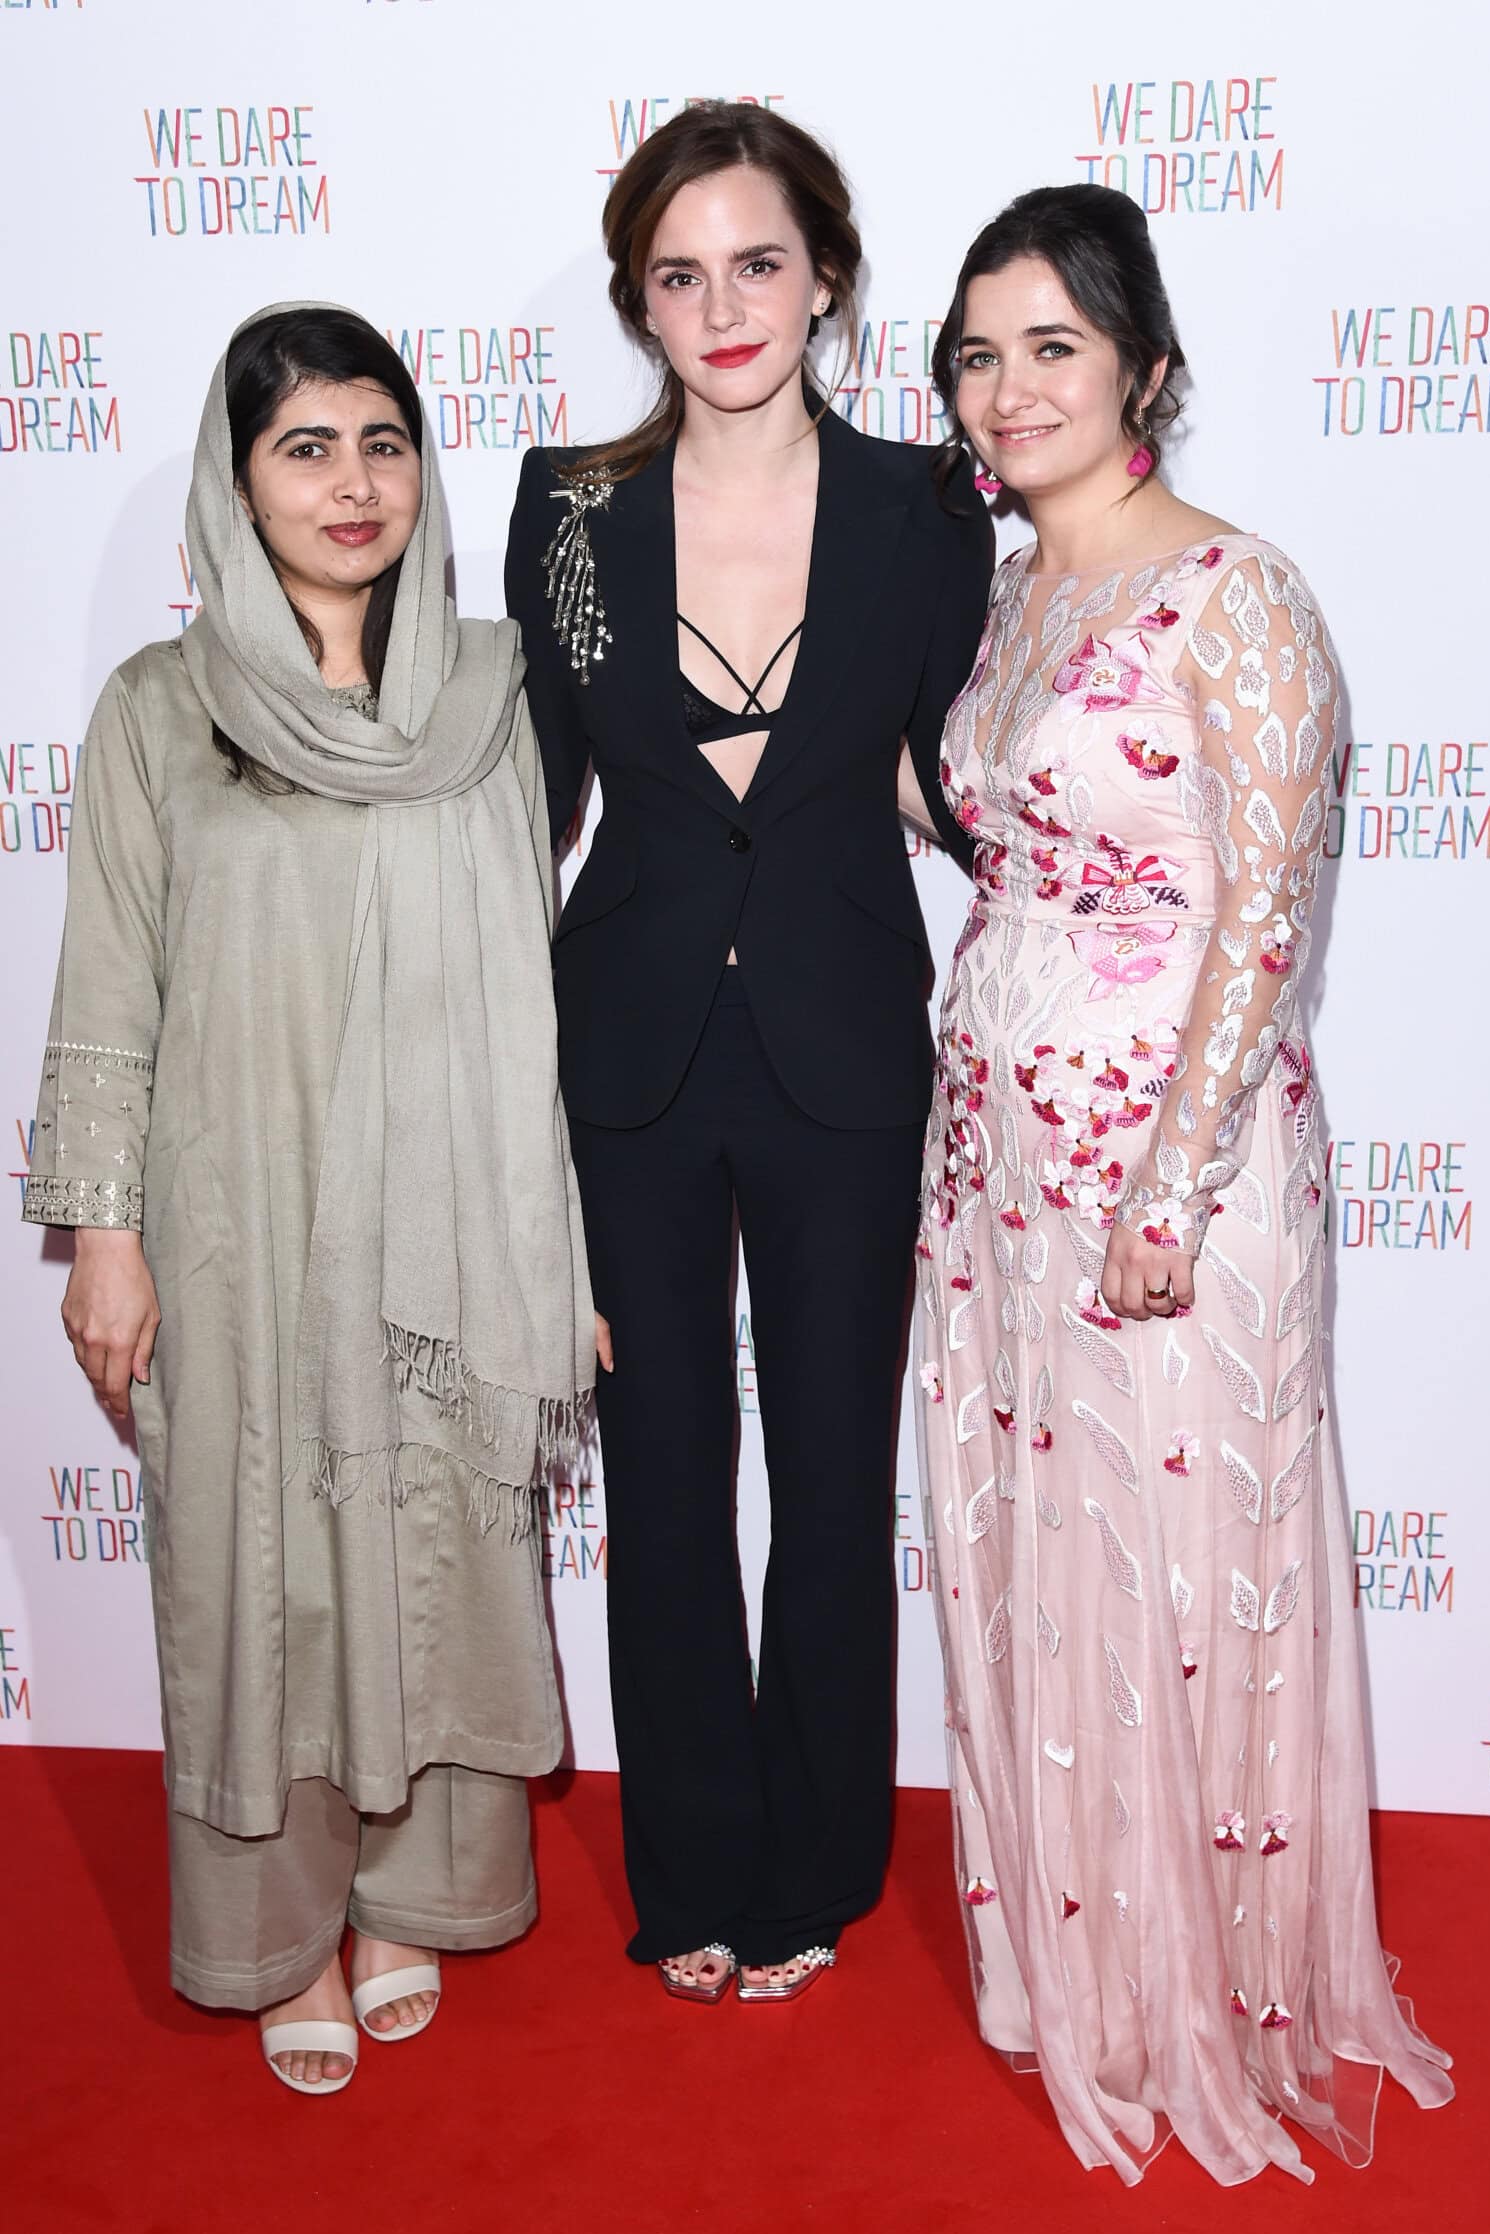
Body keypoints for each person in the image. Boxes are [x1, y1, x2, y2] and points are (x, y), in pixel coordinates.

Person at [914, 185, 1454, 2179]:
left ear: (1144, 366)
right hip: (993, 1157)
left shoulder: (1242, 593)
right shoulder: (1002, 597)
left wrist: (1171, 1182)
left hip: (1168, 1169)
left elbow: (1267, 916)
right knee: (1042, 1554)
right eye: (979, 353)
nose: (1010, 387)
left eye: (1053, 345)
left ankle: (1198, 1981)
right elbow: (995, 820)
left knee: (1177, 1551)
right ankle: (1076, 1961)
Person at [25, 302, 594, 2093]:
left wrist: (554, 1248)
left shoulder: (492, 695)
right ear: (238, 478)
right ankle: (279, 1931)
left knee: (437, 1546)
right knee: (257, 1565)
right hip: (240, 1220)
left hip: (447, 1232)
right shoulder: (161, 709)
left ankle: (415, 1892)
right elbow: (108, 987)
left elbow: (532, 997)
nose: (353, 484)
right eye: (305, 447)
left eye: (382, 442)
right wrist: (104, 1235)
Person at [505, 103, 991, 2003]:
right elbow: (536, 805)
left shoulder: (924, 504)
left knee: (833, 1464)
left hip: (846, 1039)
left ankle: (819, 1860)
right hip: (624, 1045)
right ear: (640, 300)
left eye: (759, 264)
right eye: (680, 274)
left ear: (827, 276)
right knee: (663, 1470)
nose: (723, 308)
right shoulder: (570, 511)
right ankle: (693, 1861)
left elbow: (951, 771)